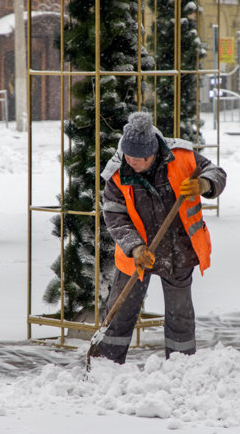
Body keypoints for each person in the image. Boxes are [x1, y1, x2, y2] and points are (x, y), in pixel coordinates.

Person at [96, 111, 227, 364]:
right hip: (137, 256)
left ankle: (181, 365)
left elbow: (217, 173)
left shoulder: (182, 156)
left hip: (179, 250)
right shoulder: (116, 173)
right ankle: (107, 365)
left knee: (180, 317)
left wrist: (204, 184)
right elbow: (115, 217)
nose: (132, 162)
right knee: (121, 313)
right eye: (129, 157)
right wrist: (134, 248)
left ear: (153, 152)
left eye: (139, 158)